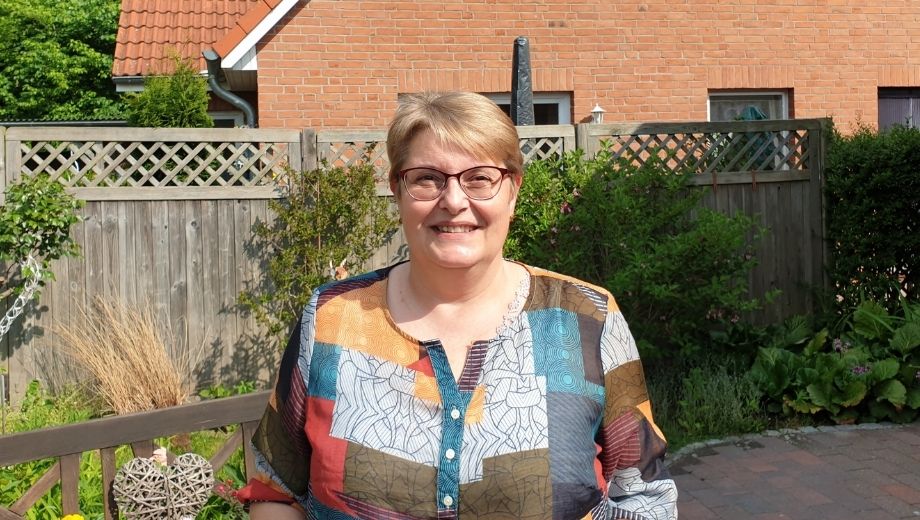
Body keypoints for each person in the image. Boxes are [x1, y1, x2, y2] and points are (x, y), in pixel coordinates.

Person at [238, 91, 678, 519]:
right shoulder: (332, 318)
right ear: (397, 190)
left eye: (480, 178)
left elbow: (645, 497)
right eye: (427, 178)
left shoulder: (587, 318)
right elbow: (276, 489)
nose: (453, 200)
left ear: (513, 191)